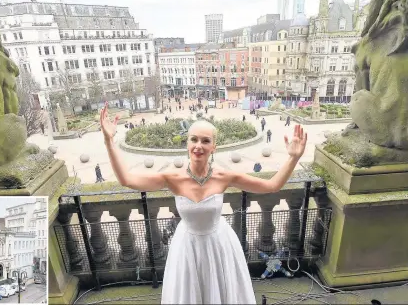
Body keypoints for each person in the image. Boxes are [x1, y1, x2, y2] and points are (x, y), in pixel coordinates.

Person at [99, 102, 307, 304]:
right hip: (187, 247)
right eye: (194, 139)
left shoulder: (224, 176)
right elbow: (126, 179)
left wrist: (293, 158)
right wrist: (109, 140)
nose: (198, 145)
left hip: (219, 245)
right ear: (187, 142)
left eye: (205, 141)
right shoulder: (172, 177)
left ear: (213, 147)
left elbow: (272, 186)